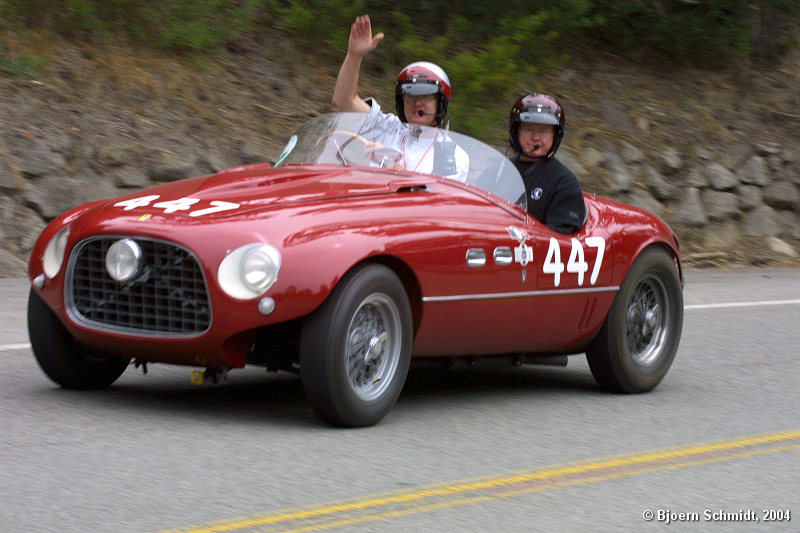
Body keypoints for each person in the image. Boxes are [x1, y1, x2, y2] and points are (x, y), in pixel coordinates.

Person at [331, 15, 468, 181]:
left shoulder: (453, 156)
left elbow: (432, 204)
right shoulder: (388, 128)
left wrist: (392, 166)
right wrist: (354, 55)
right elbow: (344, 101)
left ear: (440, 104)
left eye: (425, 96)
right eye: (410, 96)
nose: (417, 102)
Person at [508, 93, 586, 234]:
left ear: (555, 136)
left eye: (544, 131)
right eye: (528, 129)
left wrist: (523, 234)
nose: (535, 138)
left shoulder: (564, 181)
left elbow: (563, 235)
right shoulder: (498, 171)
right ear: (516, 132)